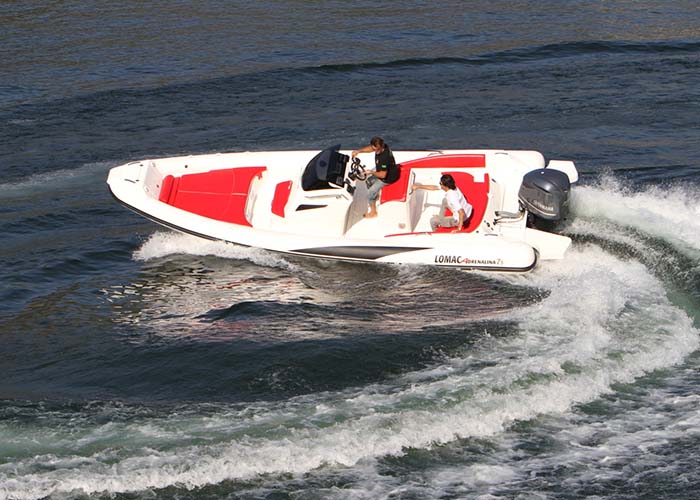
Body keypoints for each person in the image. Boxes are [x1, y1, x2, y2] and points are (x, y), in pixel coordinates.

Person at [351, 136, 400, 218]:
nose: (376, 152)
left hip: (388, 178)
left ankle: (373, 212)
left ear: (381, 146)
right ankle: (374, 197)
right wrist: (358, 151)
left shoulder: (384, 157)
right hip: (381, 169)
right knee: (368, 181)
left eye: (377, 149)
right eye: (374, 149)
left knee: (370, 193)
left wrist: (371, 172)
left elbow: (383, 175)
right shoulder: (382, 146)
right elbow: (371, 148)